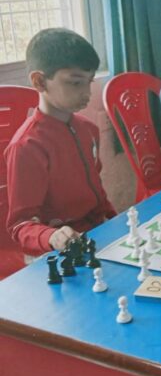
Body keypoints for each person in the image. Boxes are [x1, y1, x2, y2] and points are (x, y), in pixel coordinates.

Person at [5, 28, 115, 257]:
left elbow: (97, 192)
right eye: (75, 83)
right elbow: (20, 225)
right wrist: (52, 237)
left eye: (89, 82)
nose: (87, 93)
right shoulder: (27, 146)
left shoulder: (88, 130)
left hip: (96, 233)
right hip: (53, 251)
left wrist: (115, 220)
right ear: (39, 81)